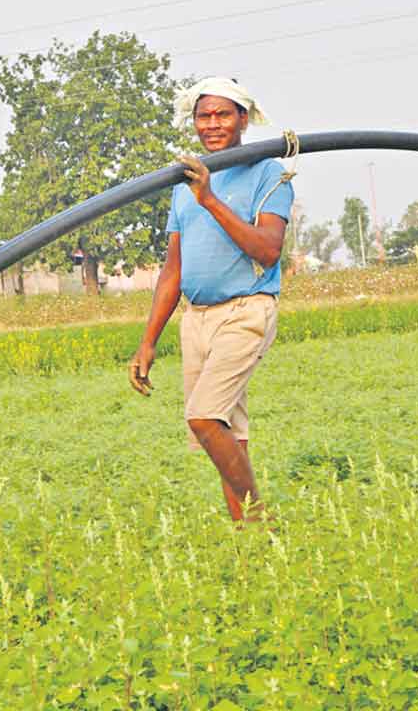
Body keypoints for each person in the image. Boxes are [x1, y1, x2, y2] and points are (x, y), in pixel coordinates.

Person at [128, 77, 294, 524]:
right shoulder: (184, 184)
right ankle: (251, 542)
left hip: (246, 310)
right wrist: (148, 341)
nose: (213, 124)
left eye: (223, 114)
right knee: (226, 435)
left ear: (243, 118)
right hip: (196, 319)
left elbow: (267, 249)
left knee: (202, 418)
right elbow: (173, 270)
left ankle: (259, 516)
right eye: (204, 116)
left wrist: (210, 198)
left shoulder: (268, 174)